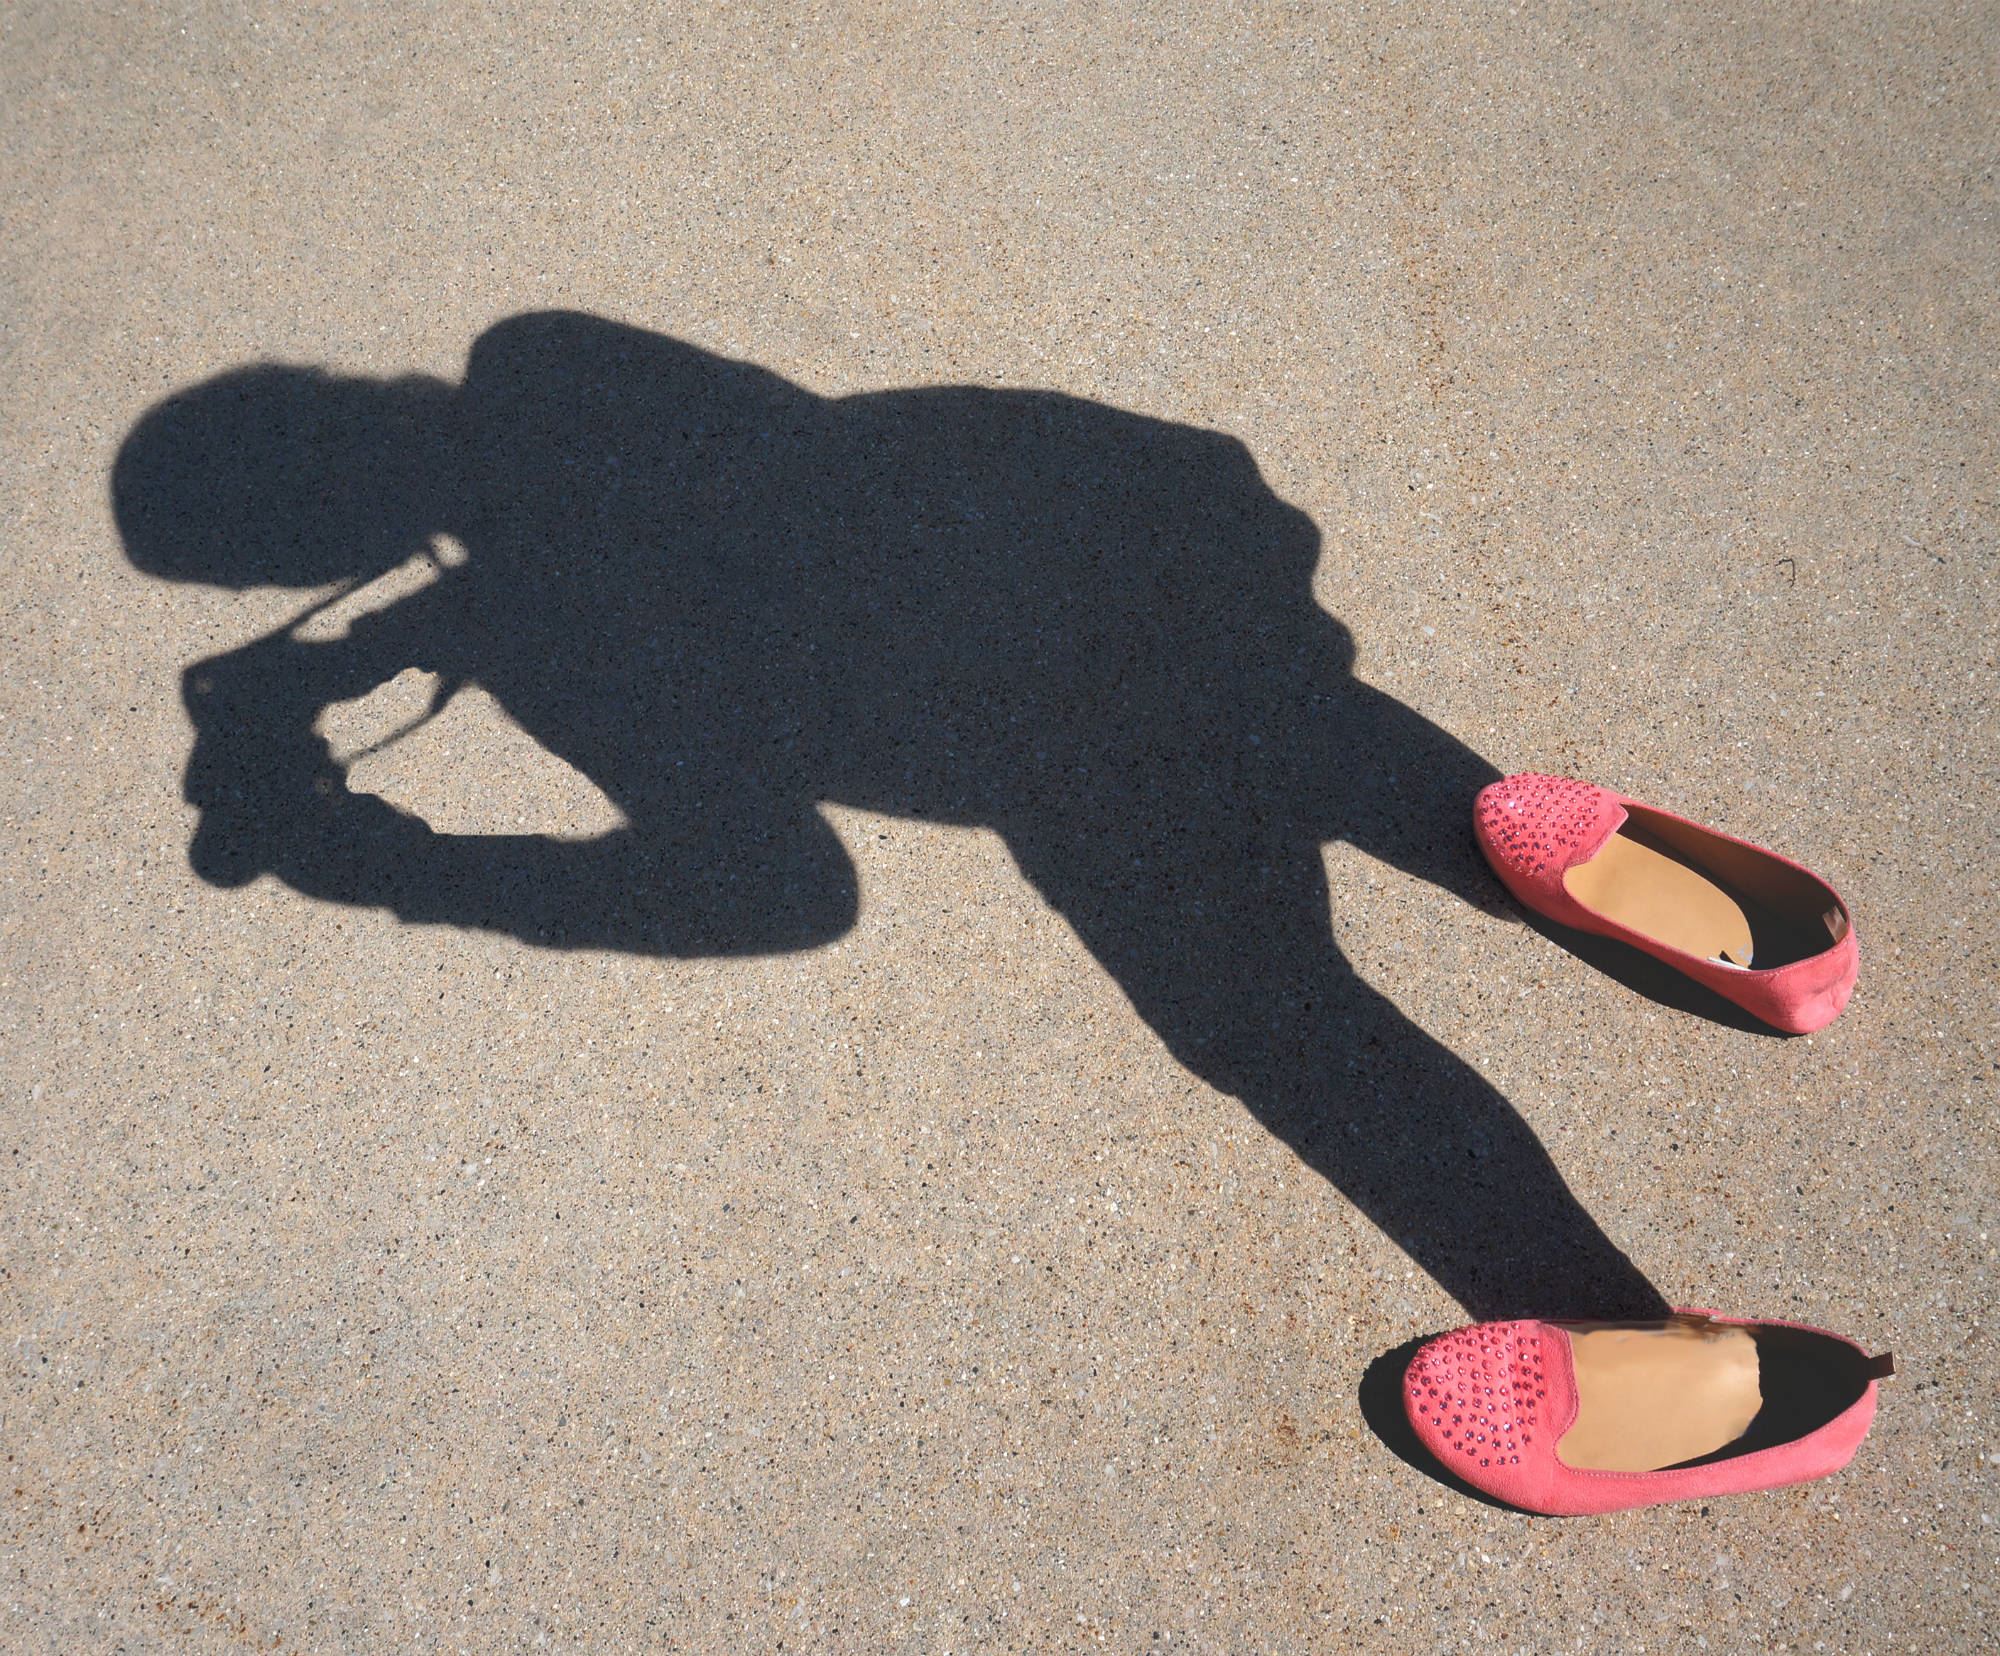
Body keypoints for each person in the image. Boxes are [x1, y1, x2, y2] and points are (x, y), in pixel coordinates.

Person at [114, 310, 1665, 1323]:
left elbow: (781, 887)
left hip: (1063, 735)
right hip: (1161, 527)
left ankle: (1636, 1353)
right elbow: (623, 513)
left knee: (1283, 1026)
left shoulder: (574, 653)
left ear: (303, 550)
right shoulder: (542, 359)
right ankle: (1651, 886)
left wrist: (386, 863)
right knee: (1292, 719)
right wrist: (389, 642)